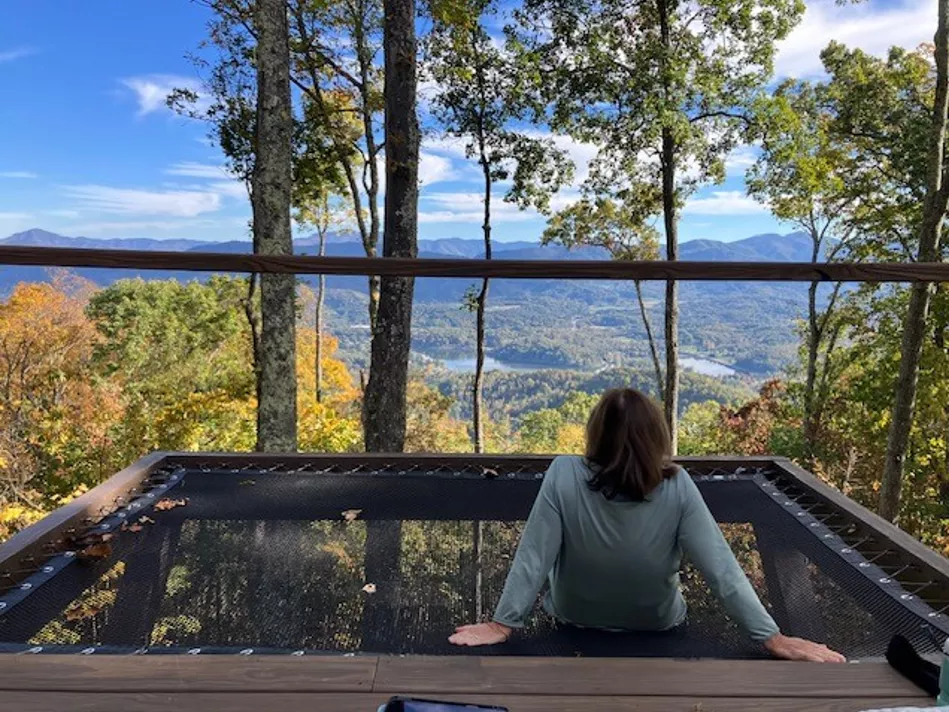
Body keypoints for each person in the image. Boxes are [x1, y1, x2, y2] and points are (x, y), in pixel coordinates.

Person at [449, 387, 845, 663]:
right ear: (656, 436)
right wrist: (770, 638)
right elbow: (721, 569)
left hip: (573, 616)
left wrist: (503, 624)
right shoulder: (677, 484)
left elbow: (534, 555)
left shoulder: (564, 474)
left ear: (595, 433)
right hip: (657, 624)